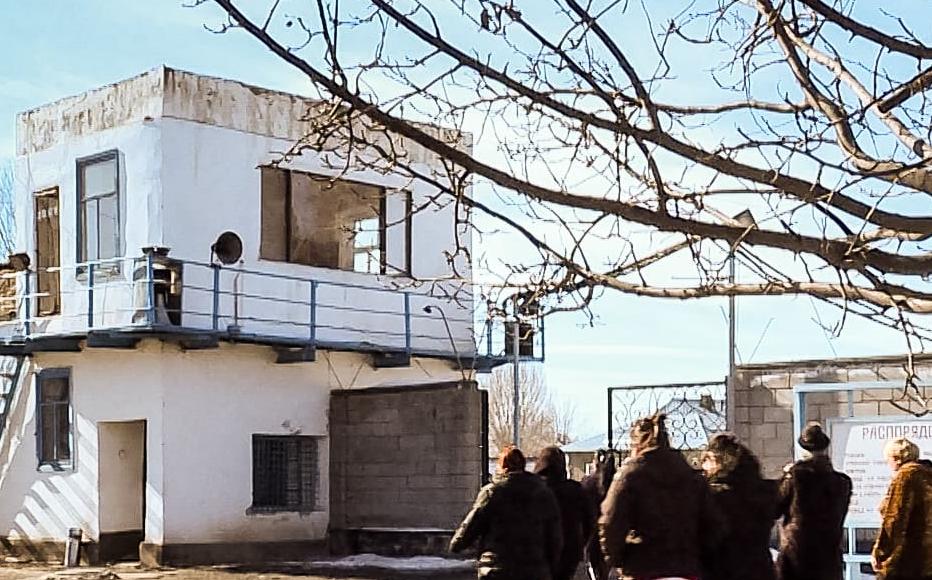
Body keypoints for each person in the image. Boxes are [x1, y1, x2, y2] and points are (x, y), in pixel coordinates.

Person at [599, 413, 722, 580]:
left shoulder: (630, 476)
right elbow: (713, 526)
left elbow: (610, 523)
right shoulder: (692, 477)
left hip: (643, 568)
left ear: (636, 445)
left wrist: (619, 559)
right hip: (685, 569)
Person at [450, 445, 563, 580]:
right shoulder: (544, 494)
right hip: (534, 570)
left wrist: (457, 544)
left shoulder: (492, 492)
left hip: (497, 570)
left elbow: (471, 526)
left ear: (502, 466)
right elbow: (555, 536)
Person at [775, 423, 852, 580]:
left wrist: (785, 476)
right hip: (829, 554)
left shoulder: (796, 478)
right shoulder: (841, 482)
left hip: (797, 555)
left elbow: (775, 507)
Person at [700, 433, 777, 580]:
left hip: (722, 570)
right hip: (759, 570)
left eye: (705, 460)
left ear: (716, 461)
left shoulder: (713, 495)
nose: (703, 467)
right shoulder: (763, 491)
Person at [871, 437, 932, 580]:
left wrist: (880, 553)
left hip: (909, 558)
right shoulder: (927, 475)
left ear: (896, 458)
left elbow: (895, 517)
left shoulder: (906, 475)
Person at [535, 446, 594, 580]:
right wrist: (581, 542)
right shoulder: (575, 490)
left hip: (539, 550)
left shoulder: (533, 489)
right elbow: (589, 521)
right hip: (569, 549)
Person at [581, 450, 616, 580]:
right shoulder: (615, 483)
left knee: (594, 566)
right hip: (611, 529)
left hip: (592, 530)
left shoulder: (587, 483)